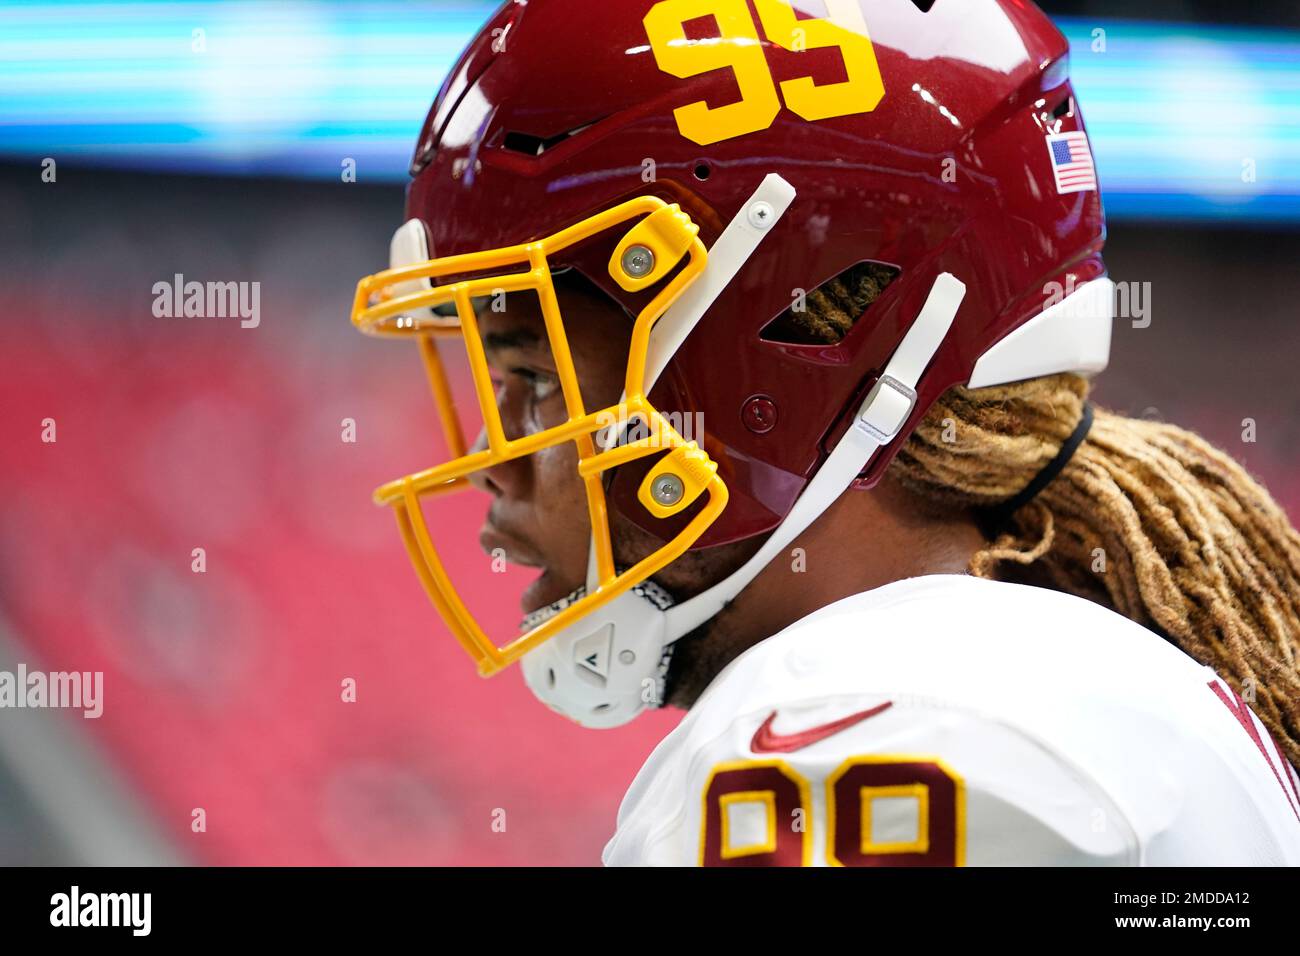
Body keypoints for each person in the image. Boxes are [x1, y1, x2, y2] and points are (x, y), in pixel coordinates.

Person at [351, 0, 1300, 865]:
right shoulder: (1062, 688)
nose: (495, 467)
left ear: (787, 346)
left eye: (534, 377)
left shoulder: (853, 735)